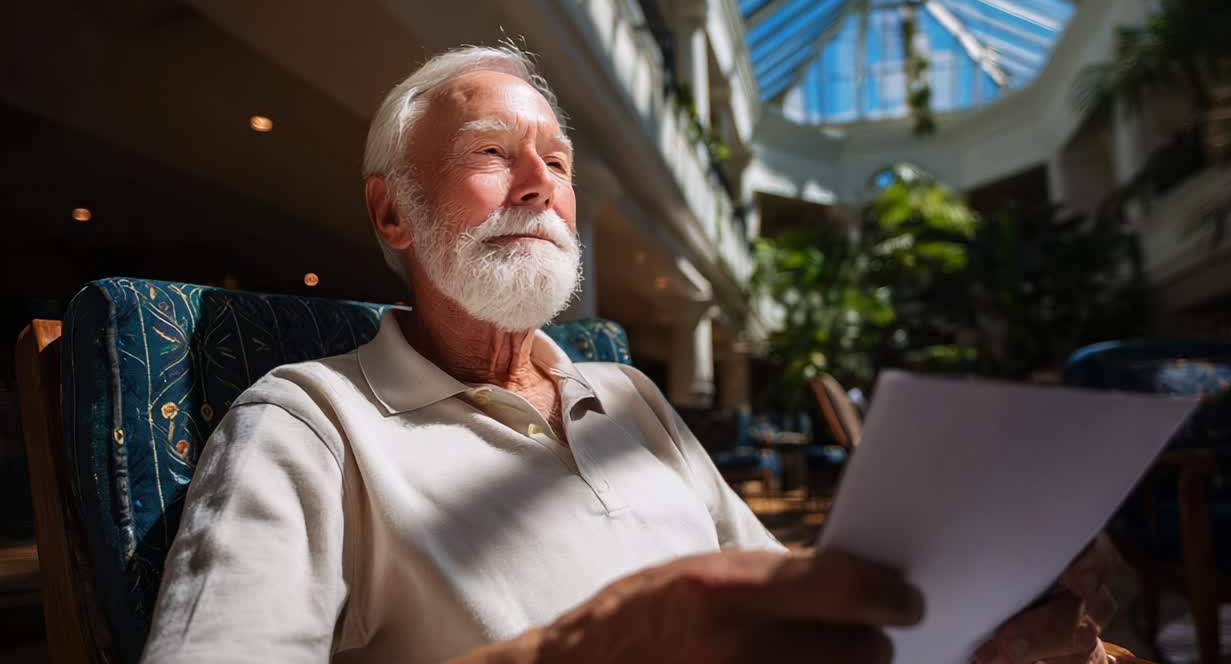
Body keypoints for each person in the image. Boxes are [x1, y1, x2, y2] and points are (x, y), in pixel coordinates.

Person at [140, 45, 1118, 663]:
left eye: (557, 162)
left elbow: (773, 588)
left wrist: (965, 616)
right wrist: (578, 649)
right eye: (491, 152)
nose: (538, 184)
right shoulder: (306, 423)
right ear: (392, 211)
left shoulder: (628, 394)